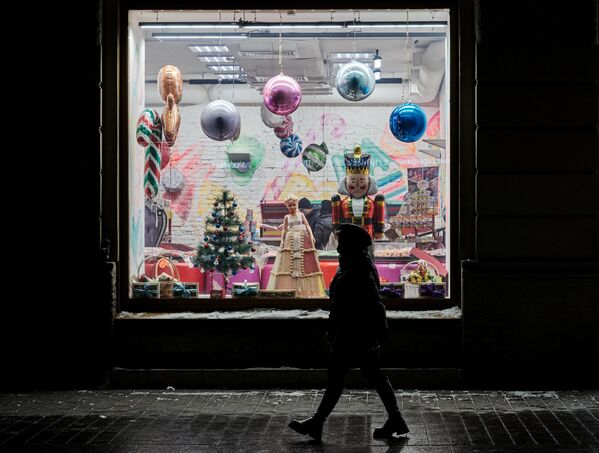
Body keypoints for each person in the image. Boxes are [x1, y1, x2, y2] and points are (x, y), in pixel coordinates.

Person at [288, 223, 409, 442]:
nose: (338, 247)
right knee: (372, 375)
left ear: (350, 246)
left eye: (342, 243)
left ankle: (317, 423)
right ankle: (395, 418)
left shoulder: (358, 270)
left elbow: (361, 305)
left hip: (354, 334)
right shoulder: (355, 265)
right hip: (358, 333)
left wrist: (337, 329)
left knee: (340, 378)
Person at [267, 194, 326, 298]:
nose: (292, 207)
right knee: (290, 264)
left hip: (304, 239)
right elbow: (284, 230)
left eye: (294, 205)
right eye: (290, 205)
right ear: (287, 206)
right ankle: (291, 289)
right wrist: (282, 240)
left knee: (305, 264)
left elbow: (307, 226)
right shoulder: (287, 217)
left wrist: (311, 236)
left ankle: (305, 291)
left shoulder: (301, 215)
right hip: (291, 239)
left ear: (297, 205)